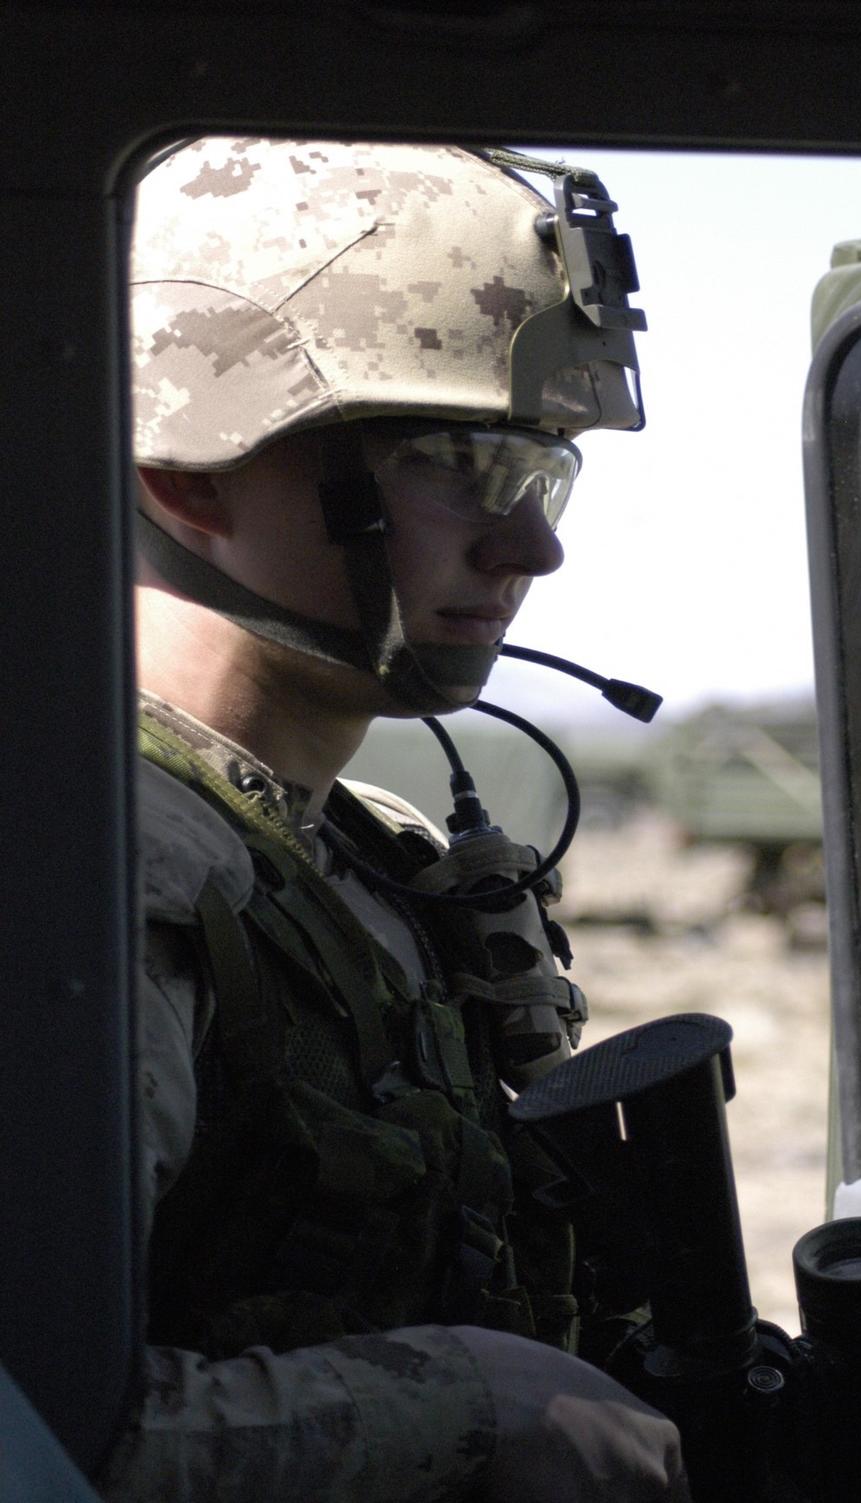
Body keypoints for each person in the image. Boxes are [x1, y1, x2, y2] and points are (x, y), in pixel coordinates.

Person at [99, 137, 689, 1502]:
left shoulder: (364, 854)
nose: (534, 550)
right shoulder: (107, 875)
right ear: (192, 476)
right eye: (460, 467)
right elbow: (44, 1421)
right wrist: (473, 1410)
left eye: (543, 477)